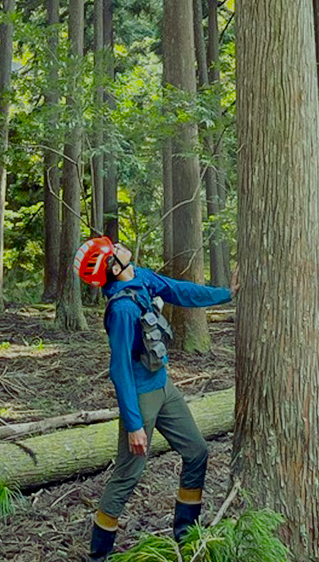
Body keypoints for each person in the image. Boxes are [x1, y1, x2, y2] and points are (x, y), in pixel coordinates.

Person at [74, 235, 236, 560]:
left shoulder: (142, 277)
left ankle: (185, 534)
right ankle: (98, 555)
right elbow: (120, 369)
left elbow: (179, 291)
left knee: (196, 451)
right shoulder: (121, 309)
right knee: (127, 474)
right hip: (141, 398)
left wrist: (226, 295)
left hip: (164, 388)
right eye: (115, 250)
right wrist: (134, 424)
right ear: (112, 266)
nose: (120, 247)